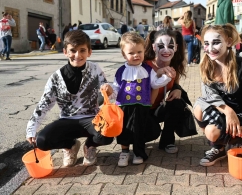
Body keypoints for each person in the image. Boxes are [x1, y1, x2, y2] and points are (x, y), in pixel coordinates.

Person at [26, 30, 115, 167]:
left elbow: (108, 91)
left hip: (91, 118)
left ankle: (90, 146)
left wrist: (109, 90)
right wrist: (31, 128)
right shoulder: (56, 77)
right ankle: (70, 146)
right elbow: (44, 104)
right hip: (67, 119)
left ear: (89, 52)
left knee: (108, 133)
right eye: (73, 50)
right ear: (65, 52)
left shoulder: (95, 69)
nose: (77, 55)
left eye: (82, 50)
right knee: (42, 141)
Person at [193, 24, 242, 167]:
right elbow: (209, 96)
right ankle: (218, 147)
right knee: (200, 108)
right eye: (206, 43)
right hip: (226, 113)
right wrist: (228, 111)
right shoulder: (207, 65)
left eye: (216, 42)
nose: (210, 48)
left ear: (228, 41)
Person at [113, 32, 173, 167]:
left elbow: (155, 84)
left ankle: (139, 152)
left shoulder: (147, 69)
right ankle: (124, 152)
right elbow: (116, 87)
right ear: (124, 54)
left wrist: (166, 78)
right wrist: (110, 92)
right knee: (124, 129)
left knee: (139, 129)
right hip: (123, 106)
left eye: (139, 52)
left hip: (141, 107)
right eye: (131, 53)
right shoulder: (120, 71)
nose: (136, 55)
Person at [144, 29, 191, 153]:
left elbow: (175, 84)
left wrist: (178, 90)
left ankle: (167, 141)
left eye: (170, 46)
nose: (166, 50)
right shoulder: (145, 66)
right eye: (161, 46)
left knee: (177, 103)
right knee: (152, 132)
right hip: (143, 110)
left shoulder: (174, 67)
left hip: (159, 108)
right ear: (154, 47)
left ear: (176, 47)